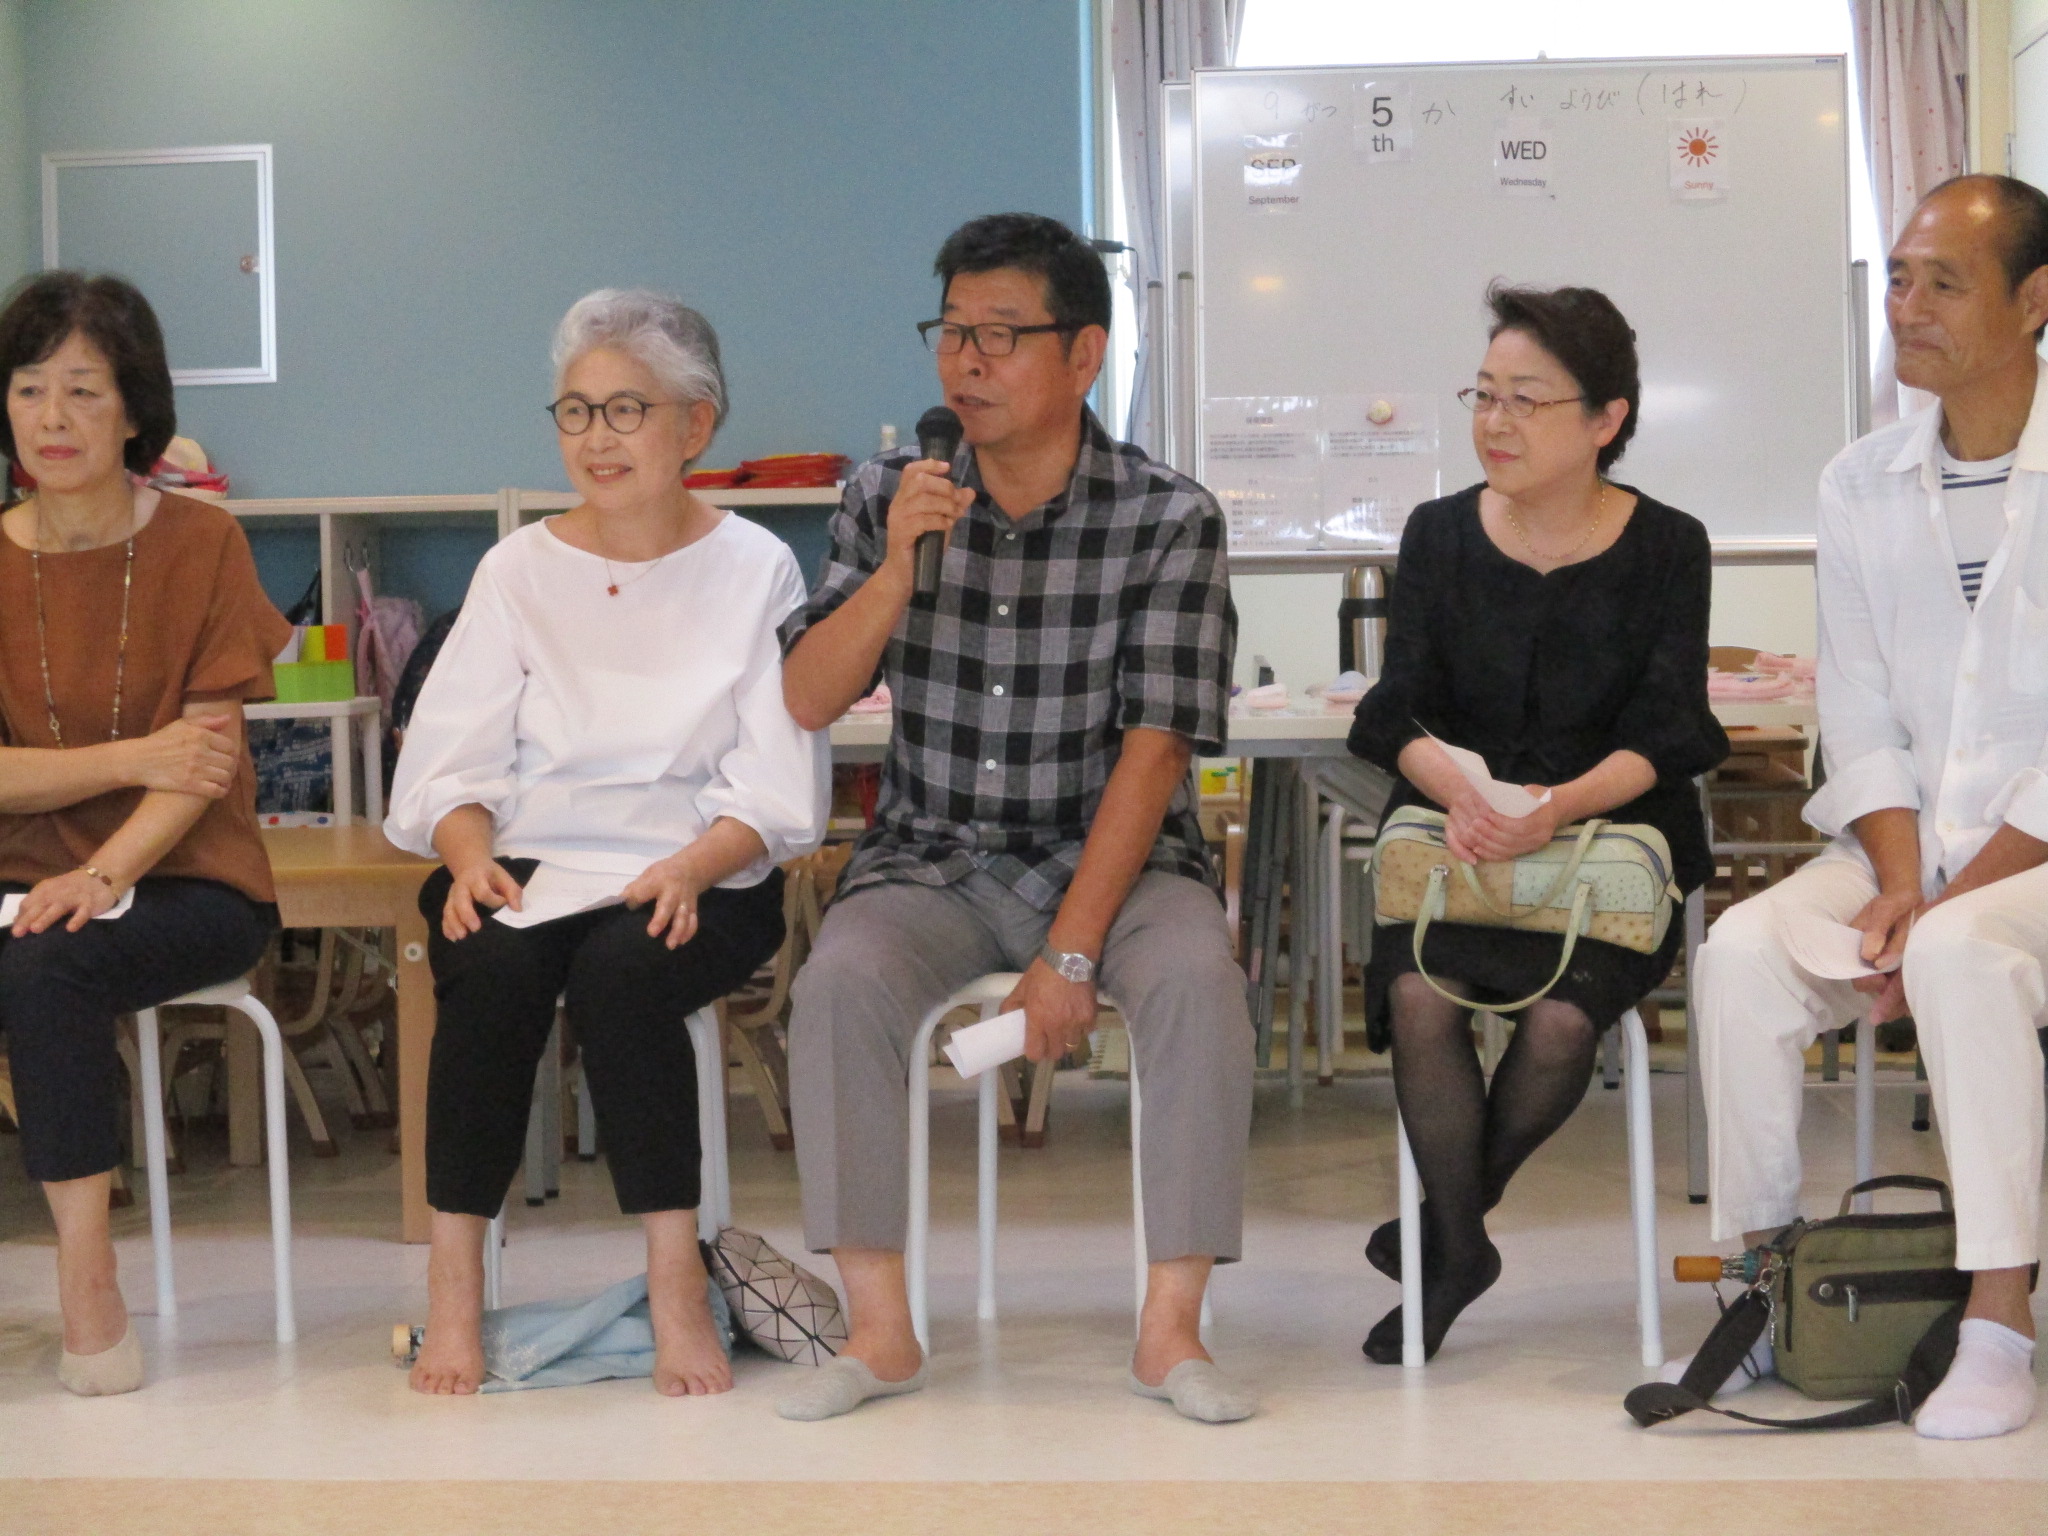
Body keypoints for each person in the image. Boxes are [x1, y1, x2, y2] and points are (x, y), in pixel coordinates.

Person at [775, 213, 1251, 1423]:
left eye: (999, 335)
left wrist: (1071, 952)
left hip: (1117, 864)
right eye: (949, 334)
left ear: (1082, 354)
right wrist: (896, 568)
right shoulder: (886, 495)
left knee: (1197, 982)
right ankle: (880, 1334)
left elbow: (1155, 751)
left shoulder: (1166, 517)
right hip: (931, 857)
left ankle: (1170, 1333)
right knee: (837, 986)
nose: (966, 363)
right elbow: (808, 696)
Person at [386, 289, 827, 1398]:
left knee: (625, 975)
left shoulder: (757, 566)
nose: (597, 438)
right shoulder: (517, 569)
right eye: (575, 412)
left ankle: (676, 1283)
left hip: (701, 865)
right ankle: (452, 1287)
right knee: (487, 966)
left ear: (696, 425)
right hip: (533, 860)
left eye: (627, 409)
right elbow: (451, 760)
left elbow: (774, 782)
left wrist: (691, 865)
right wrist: (467, 852)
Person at [1692, 174, 2048, 1440]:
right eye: (1897, 278)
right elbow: (1852, 709)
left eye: (1942, 283)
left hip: (2028, 860)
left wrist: (1938, 907)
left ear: (2034, 300)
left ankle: (1997, 1320)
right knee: (1739, 953)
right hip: (1908, 851)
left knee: (1959, 949)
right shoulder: (1858, 482)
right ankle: (1762, 1283)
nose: (1905, 307)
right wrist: (1900, 884)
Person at [1347, 283, 1725, 1364]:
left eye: (1526, 399)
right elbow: (1393, 710)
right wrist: (1465, 794)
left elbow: (1669, 730)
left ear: (1606, 419)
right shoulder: (1437, 534)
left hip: (1605, 847)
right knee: (1418, 997)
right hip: (1459, 844)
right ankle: (1463, 1248)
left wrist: (1552, 808)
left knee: (1562, 1024)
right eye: (1483, 395)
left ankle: (1446, 1232)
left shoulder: (1669, 545)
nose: (1495, 422)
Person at [0, 272, 290, 1395]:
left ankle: (87, 1276)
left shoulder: (202, 543)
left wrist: (100, 869)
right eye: (30, 388)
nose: (53, 418)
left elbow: (203, 765)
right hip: (22, 875)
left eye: (83, 390)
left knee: (48, 960)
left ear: (134, 409)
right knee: (37, 941)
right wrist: (130, 759)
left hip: (187, 878)